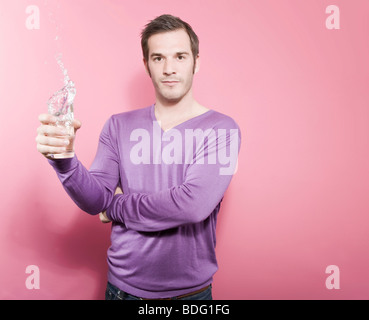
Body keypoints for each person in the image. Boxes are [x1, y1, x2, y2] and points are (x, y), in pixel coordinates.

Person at [36, 14, 241, 300]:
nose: (169, 68)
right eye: (158, 58)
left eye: (180, 56)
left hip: (189, 296)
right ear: (147, 65)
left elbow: (192, 206)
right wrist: (65, 160)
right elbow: (96, 200)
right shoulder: (118, 126)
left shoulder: (222, 129)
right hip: (122, 290)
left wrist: (116, 206)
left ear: (196, 61)